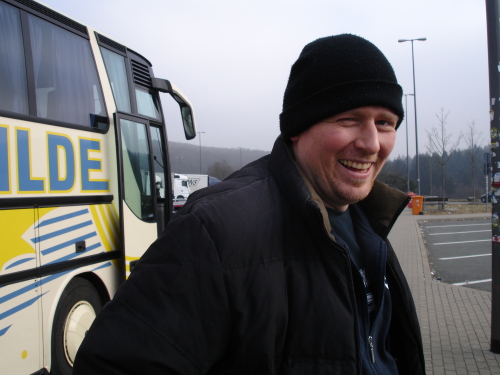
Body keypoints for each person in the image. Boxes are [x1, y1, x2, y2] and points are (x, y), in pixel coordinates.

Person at [74, 34, 425, 375]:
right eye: (349, 120)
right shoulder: (214, 231)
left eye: (385, 124)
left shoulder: (370, 223)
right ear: (297, 128)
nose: (372, 144)